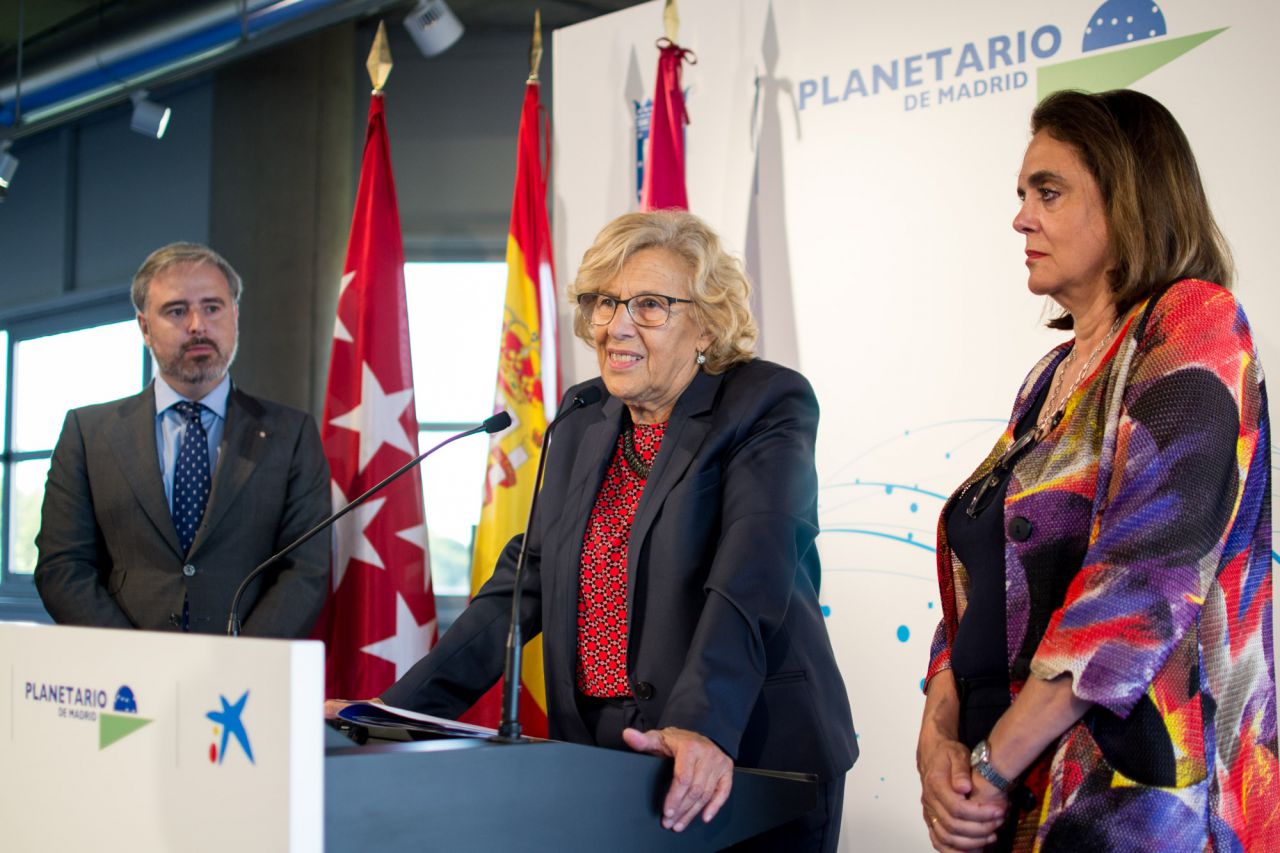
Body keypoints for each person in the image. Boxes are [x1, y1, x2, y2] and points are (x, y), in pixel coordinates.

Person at [367, 210, 857, 850]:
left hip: (742, 750)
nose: (615, 325)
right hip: (602, 760)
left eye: (650, 305)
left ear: (706, 322)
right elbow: (526, 583)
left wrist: (700, 724)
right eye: (604, 302)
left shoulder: (764, 402)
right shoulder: (581, 418)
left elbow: (753, 567)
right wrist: (393, 713)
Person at [916, 89, 1277, 852]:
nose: (1021, 217)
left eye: (1048, 191)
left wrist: (988, 766)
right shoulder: (1047, 377)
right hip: (1005, 793)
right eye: (1022, 194)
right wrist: (936, 739)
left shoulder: (1192, 322)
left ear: (1131, 197)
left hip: (1132, 804)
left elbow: (1142, 581)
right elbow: (977, 584)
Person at [35, 242, 330, 637]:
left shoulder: (292, 434)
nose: (197, 325)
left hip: (247, 680)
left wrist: (245, 661)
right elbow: (62, 566)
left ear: (235, 316)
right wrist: (135, 658)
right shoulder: (87, 434)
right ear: (144, 327)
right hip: (124, 680)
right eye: (177, 310)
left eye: (213, 307)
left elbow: (306, 568)